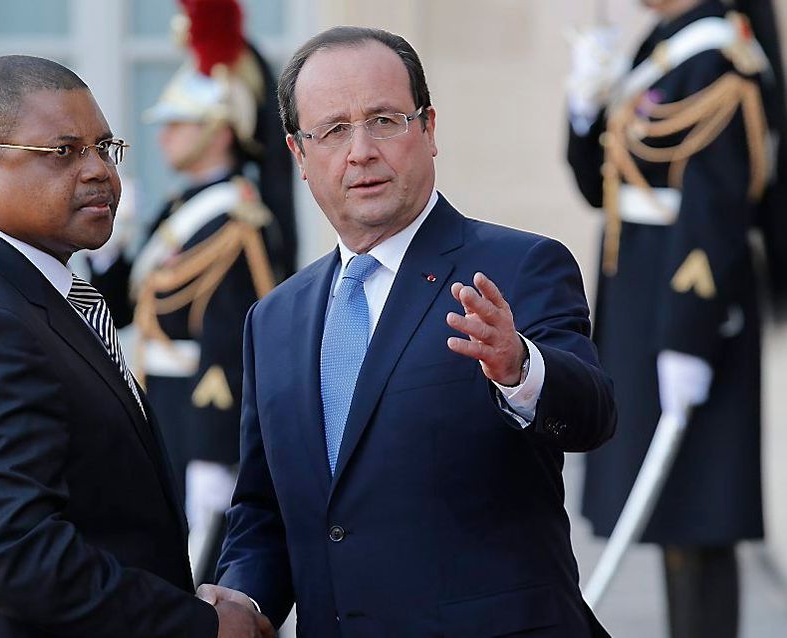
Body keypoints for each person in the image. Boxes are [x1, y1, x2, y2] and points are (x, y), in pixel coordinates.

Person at [197, 27, 617, 637]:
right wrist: (245, 602)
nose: (361, 150)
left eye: (385, 120)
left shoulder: (517, 268)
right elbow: (267, 509)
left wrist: (522, 370)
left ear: (429, 129)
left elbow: (592, 414)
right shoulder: (274, 319)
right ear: (297, 153)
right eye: (334, 130)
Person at [0, 55, 272, 638]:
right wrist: (203, 627)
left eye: (105, 148)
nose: (100, 173)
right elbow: (24, 562)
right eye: (64, 152)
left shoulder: (19, 287)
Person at [565, 1, 786, 635]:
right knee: (671, 514)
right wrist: (585, 104)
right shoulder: (662, 45)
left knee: (697, 514)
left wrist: (688, 334)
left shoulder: (719, 55)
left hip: (689, 305)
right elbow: (598, 184)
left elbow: (715, 204)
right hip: (641, 301)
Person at [86, 0, 293, 584]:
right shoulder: (179, 209)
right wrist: (111, 246)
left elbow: (235, 344)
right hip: (159, 409)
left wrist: (214, 449)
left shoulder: (238, 223)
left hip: (199, 419)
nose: (164, 136)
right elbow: (122, 308)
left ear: (218, 128)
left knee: (202, 576)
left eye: (177, 123)